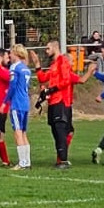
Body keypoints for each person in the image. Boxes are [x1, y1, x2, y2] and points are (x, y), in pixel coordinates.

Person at [38, 40, 95, 169]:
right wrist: (37, 65)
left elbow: (74, 80)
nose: (72, 64)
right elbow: (44, 78)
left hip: (62, 102)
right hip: (57, 102)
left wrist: (51, 90)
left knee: (62, 131)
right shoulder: (56, 65)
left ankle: (62, 159)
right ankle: (61, 158)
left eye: (48, 48)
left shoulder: (62, 64)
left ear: (55, 47)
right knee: (61, 131)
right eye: (72, 61)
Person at [3, 44, 35, 169]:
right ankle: (27, 161)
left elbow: (12, 86)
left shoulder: (14, 67)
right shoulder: (26, 69)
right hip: (25, 102)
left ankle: (22, 163)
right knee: (23, 132)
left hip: (17, 103)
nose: (9, 55)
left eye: (11, 53)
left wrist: (5, 101)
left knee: (17, 133)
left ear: (16, 54)